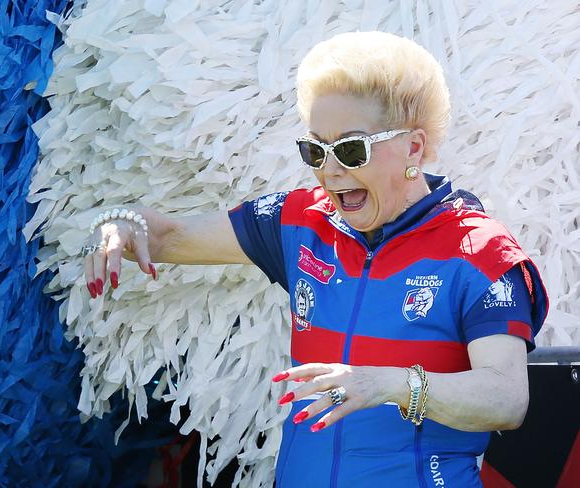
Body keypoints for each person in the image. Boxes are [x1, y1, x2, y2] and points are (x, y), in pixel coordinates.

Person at [82, 31, 548, 487]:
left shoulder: (481, 252)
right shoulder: (301, 222)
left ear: (413, 147)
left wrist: (387, 384)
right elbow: (170, 235)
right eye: (316, 148)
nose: (329, 168)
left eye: (350, 148)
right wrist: (124, 224)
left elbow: (506, 399)